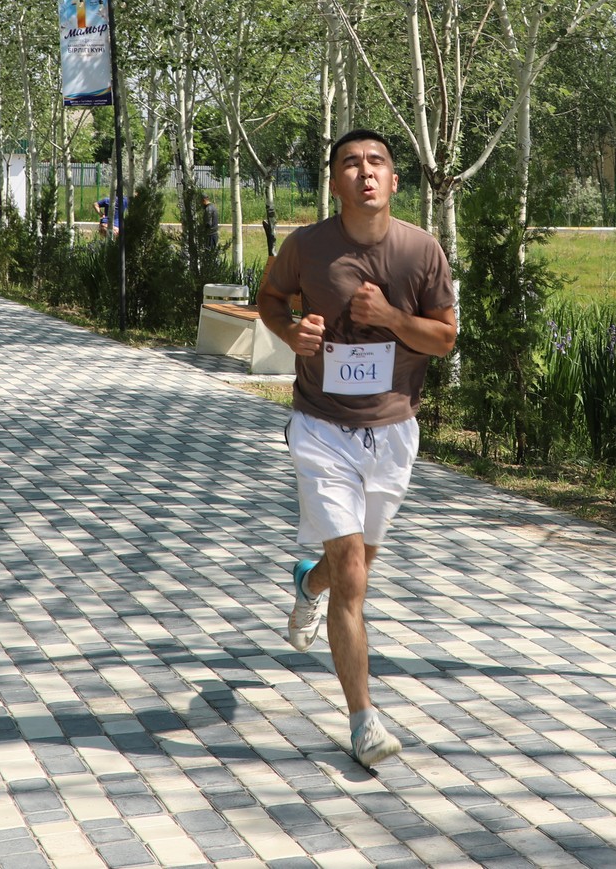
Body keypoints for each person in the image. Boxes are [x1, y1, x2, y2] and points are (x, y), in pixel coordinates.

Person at [255, 128, 457, 768]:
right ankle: (364, 721)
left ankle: (305, 583)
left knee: (352, 572)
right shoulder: (307, 247)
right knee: (351, 576)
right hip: (320, 427)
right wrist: (293, 332)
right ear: (334, 182)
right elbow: (269, 299)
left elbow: (444, 339)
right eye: (350, 163)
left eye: (376, 163)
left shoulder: (421, 251)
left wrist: (392, 319)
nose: (365, 172)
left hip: (393, 432)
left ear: (394, 180)